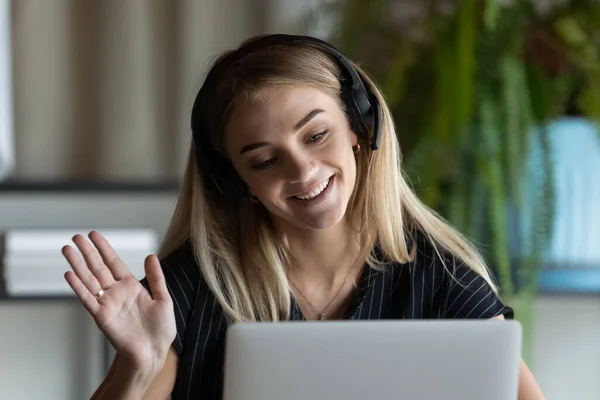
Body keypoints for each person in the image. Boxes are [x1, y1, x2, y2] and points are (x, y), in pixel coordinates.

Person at [62, 34, 546, 400]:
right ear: (235, 181)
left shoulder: (441, 279)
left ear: (359, 126)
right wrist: (137, 367)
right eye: (264, 160)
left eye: (315, 135)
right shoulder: (189, 287)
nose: (303, 170)